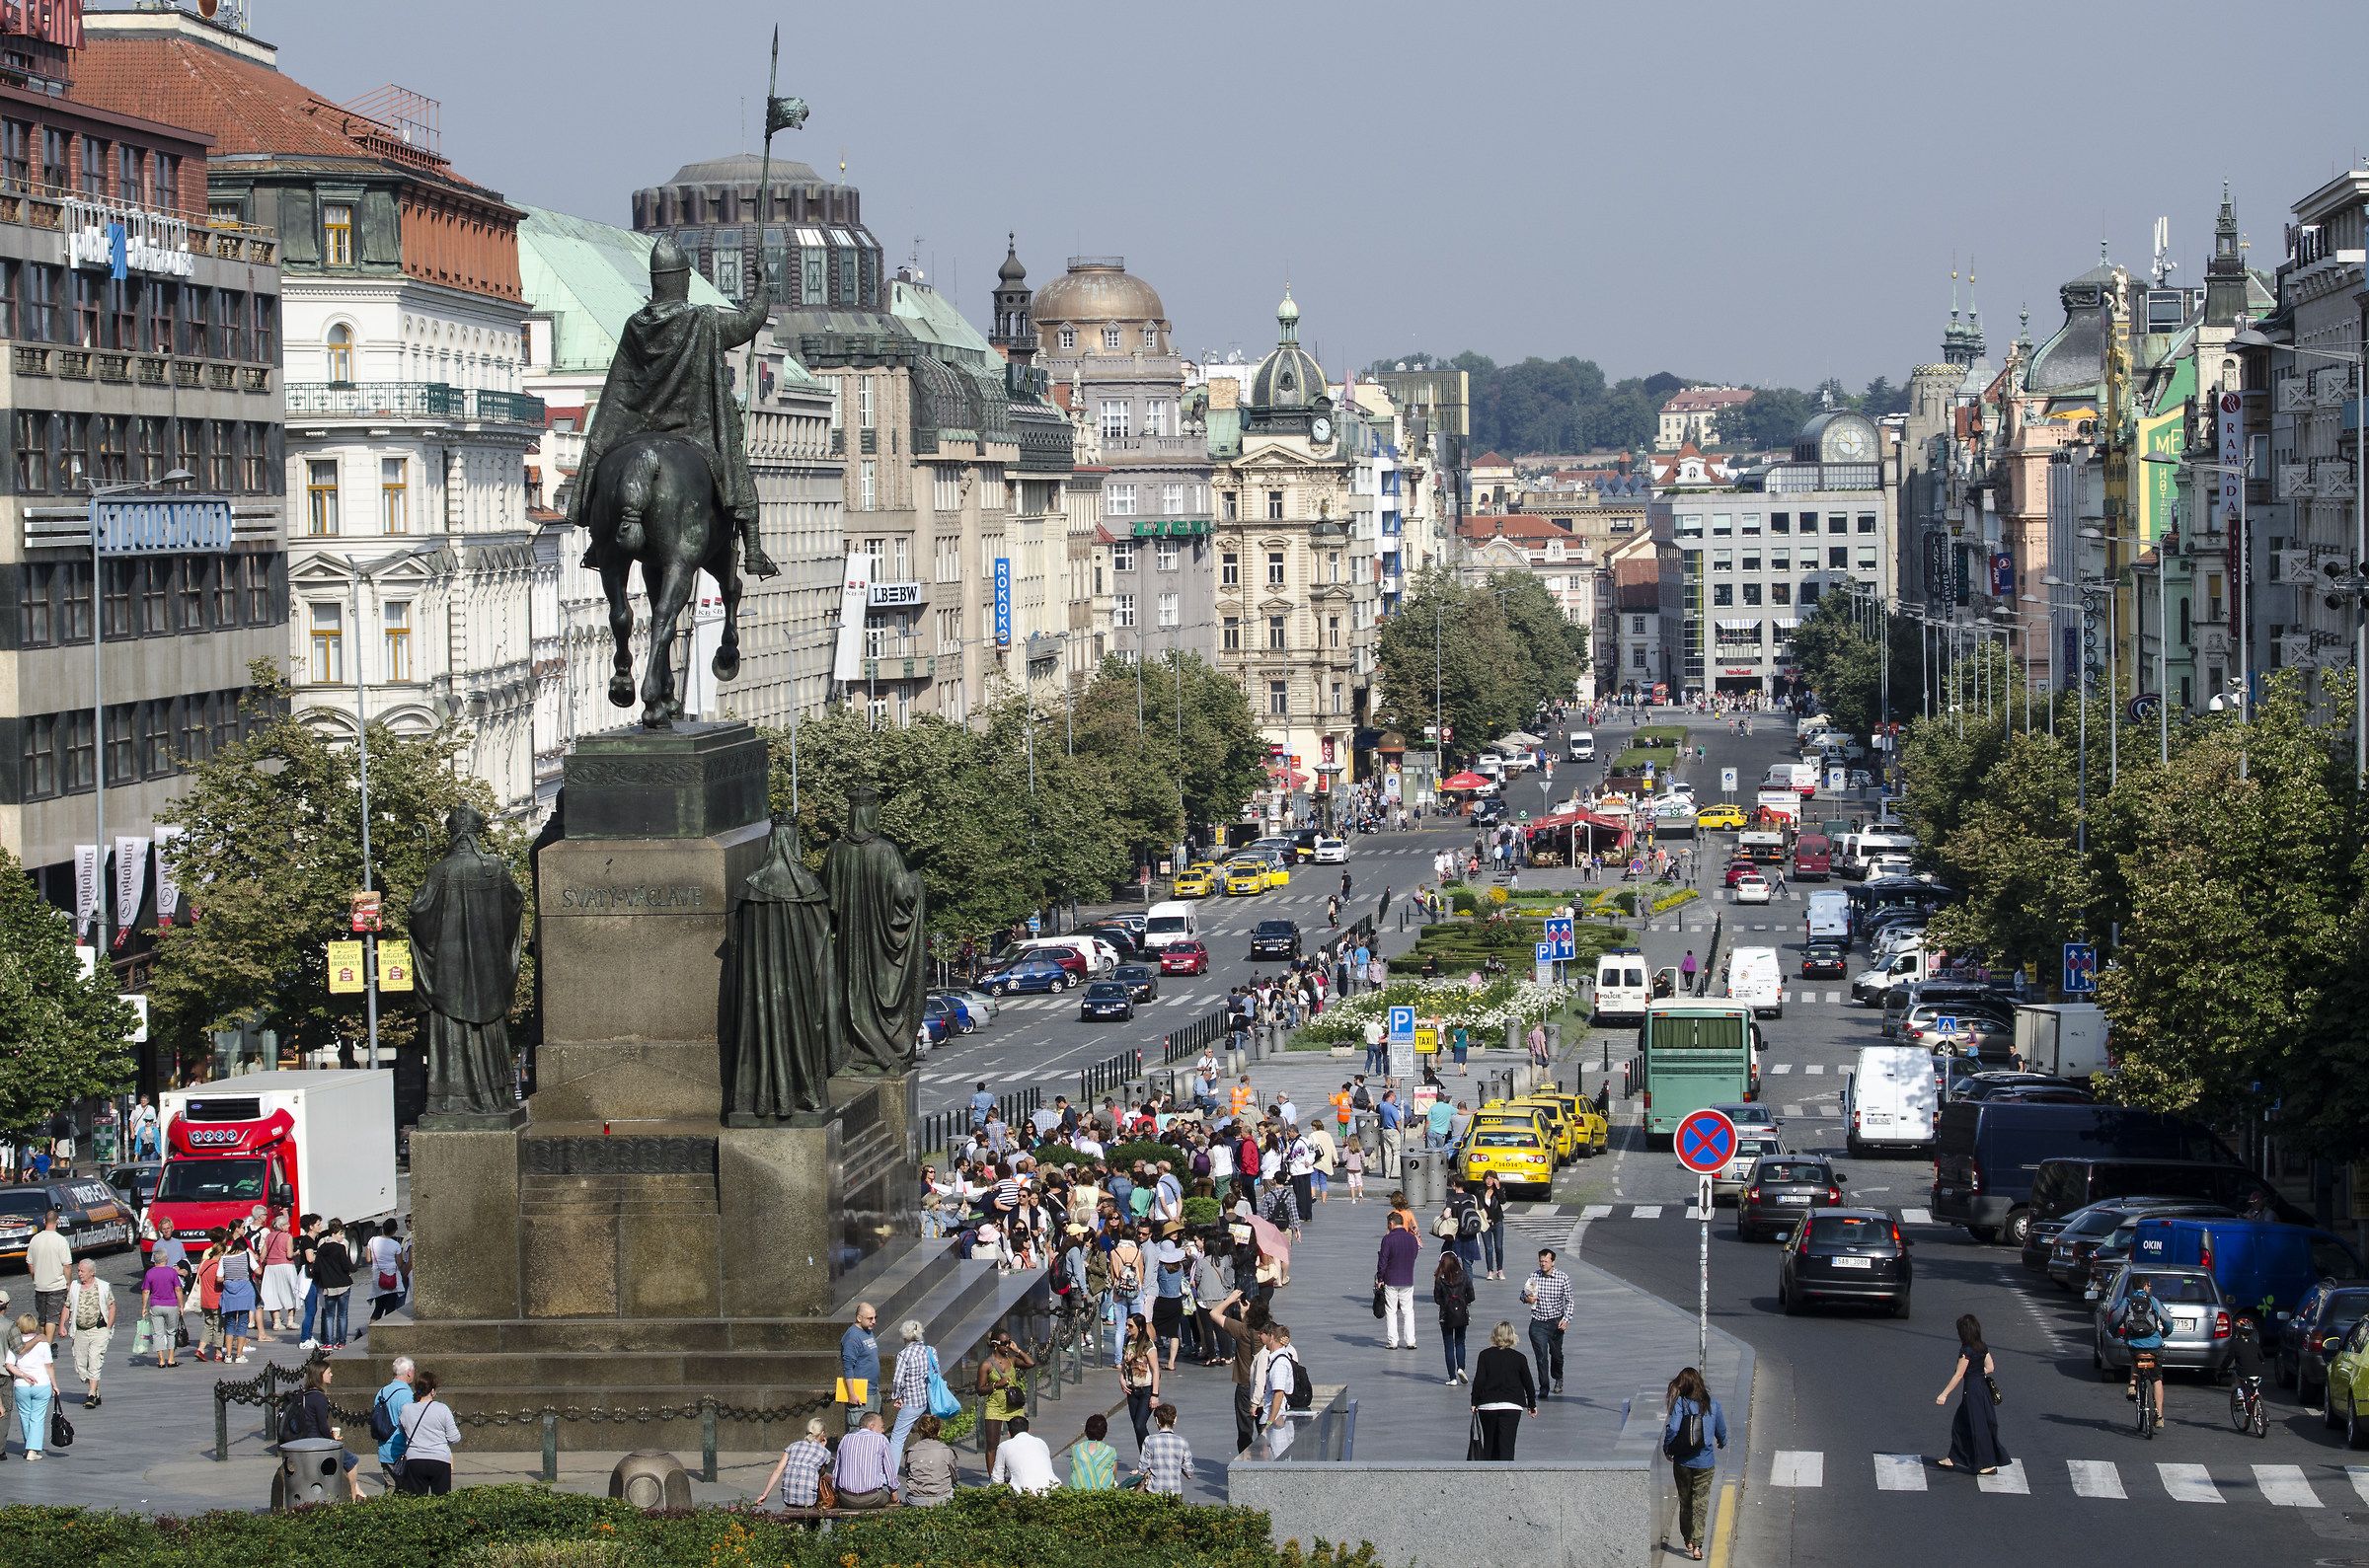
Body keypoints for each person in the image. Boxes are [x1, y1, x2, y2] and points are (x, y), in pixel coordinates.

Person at [1662, 1367, 1727, 1558]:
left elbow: (1674, 1429)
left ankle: (1688, 1539)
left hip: (1683, 1462)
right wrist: (1722, 1441)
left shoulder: (1681, 1403)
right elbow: (1721, 1429)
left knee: (1686, 1502)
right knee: (1701, 1502)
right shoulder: (1713, 1404)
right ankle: (1698, 1546)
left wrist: (1668, 1447)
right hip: (1705, 1462)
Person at [1934, 1313, 2005, 1474]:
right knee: (1962, 1423)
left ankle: (1988, 1464)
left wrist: (1944, 1394)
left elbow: (1958, 1375)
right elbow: (1990, 1367)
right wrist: (1977, 1372)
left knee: (1976, 1426)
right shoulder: (1982, 1346)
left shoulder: (1966, 1350)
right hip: (1982, 1389)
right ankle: (1952, 1459)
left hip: (1972, 1391)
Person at [283, 1364, 365, 1500]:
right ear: (320, 1376)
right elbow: (322, 1426)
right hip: (318, 1442)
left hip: (304, 1440)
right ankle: (352, 1497)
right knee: (352, 1462)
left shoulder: (305, 1395)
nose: (331, 1375)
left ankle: (359, 1493)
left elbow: (311, 1421)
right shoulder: (319, 1397)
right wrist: (333, 1442)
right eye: (328, 1372)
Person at [1468, 1320, 1537, 1460]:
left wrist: (1474, 1401)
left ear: (1494, 1335)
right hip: (1511, 1406)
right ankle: (1506, 1472)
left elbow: (1479, 1380)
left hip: (1487, 1406)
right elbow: (1528, 1383)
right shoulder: (1519, 1358)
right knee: (1507, 1446)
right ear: (1512, 1336)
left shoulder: (1484, 1355)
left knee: (1489, 1445)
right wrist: (1532, 1404)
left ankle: (1489, 1472)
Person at [57, 1257, 115, 1407]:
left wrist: (108, 1326)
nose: (79, 1274)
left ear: (92, 1272)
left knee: (95, 1359)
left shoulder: (103, 1286)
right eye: (78, 1271)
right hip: (80, 1331)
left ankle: (91, 1395)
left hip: (98, 1330)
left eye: (82, 1271)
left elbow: (112, 1306)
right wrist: (62, 1325)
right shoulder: (74, 1287)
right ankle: (95, 1391)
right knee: (81, 1366)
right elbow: (67, 1306)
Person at [2112, 1276, 2168, 1428]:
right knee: (2157, 1379)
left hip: (2134, 1345)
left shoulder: (2127, 1301)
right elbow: (2168, 1321)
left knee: (2135, 1359)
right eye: (2150, 1286)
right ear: (2145, 1287)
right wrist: (2164, 1334)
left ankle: (2132, 1385)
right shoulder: (2153, 1302)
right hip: (2154, 1345)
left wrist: (2114, 1332)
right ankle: (2159, 1416)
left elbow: (2115, 1320)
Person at [395, 1370, 460, 1495]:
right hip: (440, 1459)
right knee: (442, 1500)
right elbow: (455, 1437)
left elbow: (402, 1430)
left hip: (415, 1460)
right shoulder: (442, 1409)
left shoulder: (406, 1409)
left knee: (417, 1501)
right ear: (432, 1391)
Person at [976, 1327, 1033, 1469]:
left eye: (1009, 1342)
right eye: (1004, 1343)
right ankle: (993, 1478)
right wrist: (996, 1385)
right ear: (995, 1344)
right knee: (992, 1445)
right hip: (995, 1407)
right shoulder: (986, 1364)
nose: (1007, 1346)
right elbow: (980, 1390)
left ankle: (1018, 1472)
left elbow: (1030, 1363)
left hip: (1014, 1406)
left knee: (1020, 1442)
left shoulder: (1012, 1360)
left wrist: (1017, 1350)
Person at [6, 1311, 56, 1460]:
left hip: (22, 1385)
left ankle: (29, 1447)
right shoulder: (43, 1343)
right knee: (37, 1417)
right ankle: (32, 1450)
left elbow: (9, 1365)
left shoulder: (15, 1344)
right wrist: (54, 1384)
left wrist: (22, 1375)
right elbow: (49, 1365)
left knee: (25, 1415)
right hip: (41, 1383)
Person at [1520, 1248, 1571, 1395]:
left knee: (1556, 1355)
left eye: (1546, 1261)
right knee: (1541, 1356)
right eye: (1541, 1261)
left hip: (1556, 1323)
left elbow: (1570, 1301)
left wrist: (1566, 1319)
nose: (1543, 1264)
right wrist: (1527, 1299)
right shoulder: (1533, 1277)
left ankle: (1558, 1377)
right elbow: (1523, 1294)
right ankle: (1544, 1386)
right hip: (1538, 1322)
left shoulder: (1562, 1278)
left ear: (1552, 1262)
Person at [762, 1416, 833, 1510]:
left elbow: (778, 1470)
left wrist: (764, 1494)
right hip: (808, 1500)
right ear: (822, 1433)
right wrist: (822, 1447)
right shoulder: (825, 1452)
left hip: (788, 1498)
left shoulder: (792, 1446)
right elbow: (821, 1473)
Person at [888, 1317, 933, 1459]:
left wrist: (897, 1396)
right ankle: (928, 1466)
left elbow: (898, 1380)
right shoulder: (930, 1351)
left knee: (897, 1438)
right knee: (928, 1436)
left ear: (904, 1337)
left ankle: (891, 1471)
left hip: (912, 1401)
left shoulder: (904, 1354)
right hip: (929, 1400)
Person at [1376, 1208, 1420, 1351]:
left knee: (1391, 1310)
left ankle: (1393, 1341)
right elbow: (1414, 1255)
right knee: (1408, 1310)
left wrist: (1380, 1277)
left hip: (1391, 1278)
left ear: (1391, 1223)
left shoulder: (1388, 1239)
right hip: (1407, 1278)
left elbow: (1383, 1260)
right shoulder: (1411, 1238)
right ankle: (1410, 1340)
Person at [833, 1409, 897, 1509]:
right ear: (872, 1426)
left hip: (846, 1498)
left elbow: (837, 1470)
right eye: (881, 1427)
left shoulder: (846, 1439)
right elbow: (890, 1471)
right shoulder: (881, 1439)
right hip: (872, 1497)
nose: (883, 1430)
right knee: (886, 1496)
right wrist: (894, 1494)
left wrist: (836, 1491)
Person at [26, 1210, 69, 1345]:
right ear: (57, 1221)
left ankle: (43, 1343)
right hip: (56, 1285)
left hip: (40, 1285)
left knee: (43, 1318)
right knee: (52, 1318)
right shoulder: (60, 1240)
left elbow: (30, 1263)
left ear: (44, 1221)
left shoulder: (35, 1239)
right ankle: (47, 1347)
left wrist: (35, 1277)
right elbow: (67, 1265)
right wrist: (68, 1283)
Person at [989, 1413, 1061, 1494]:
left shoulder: (1003, 1446)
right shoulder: (1041, 1442)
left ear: (1009, 1434)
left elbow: (997, 1479)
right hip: (1052, 1490)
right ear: (1029, 1431)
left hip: (1026, 1494)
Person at [1434, 1249, 1476, 1385]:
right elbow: (1471, 1295)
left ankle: (1452, 1377)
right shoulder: (1463, 1276)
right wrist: (1462, 1302)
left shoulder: (1440, 1278)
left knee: (1448, 1345)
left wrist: (1446, 1304)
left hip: (1446, 1315)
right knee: (1460, 1342)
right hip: (1461, 1314)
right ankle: (1461, 1368)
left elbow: (1437, 1298)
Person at [899, 1412, 959, 1506]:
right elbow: (954, 1476)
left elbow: (908, 1472)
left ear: (920, 1432)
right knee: (955, 1488)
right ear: (938, 1431)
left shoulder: (911, 1451)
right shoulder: (946, 1450)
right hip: (942, 1498)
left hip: (917, 1499)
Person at [374, 1356, 416, 1489]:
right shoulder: (408, 1396)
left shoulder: (381, 1392)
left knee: (390, 1489)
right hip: (402, 1451)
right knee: (407, 1491)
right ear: (409, 1373)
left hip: (384, 1449)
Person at [1119, 1313, 1161, 1449]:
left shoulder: (1148, 1345)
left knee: (1139, 1425)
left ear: (1140, 1328)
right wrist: (1122, 1377)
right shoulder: (1128, 1341)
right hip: (1132, 1390)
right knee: (1136, 1427)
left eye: (1131, 1326)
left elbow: (1156, 1370)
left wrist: (1155, 1394)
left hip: (1146, 1389)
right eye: (1127, 1325)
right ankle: (1143, 1458)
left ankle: (1151, 1452)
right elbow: (1125, 1362)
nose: (1127, 1328)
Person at [1137, 1401, 1195, 1495]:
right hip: (1175, 1492)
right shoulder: (1183, 1442)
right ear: (1175, 1420)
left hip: (1155, 1491)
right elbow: (1189, 1473)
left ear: (1157, 1420)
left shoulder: (1149, 1440)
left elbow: (1142, 1469)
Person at [313, 1220, 354, 1350]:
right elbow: (346, 1266)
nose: (342, 1237)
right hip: (343, 1284)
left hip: (328, 1286)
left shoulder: (321, 1249)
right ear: (333, 1234)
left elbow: (317, 1268)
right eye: (340, 1234)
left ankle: (328, 1342)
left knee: (329, 1315)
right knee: (342, 1314)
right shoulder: (340, 1248)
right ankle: (341, 1342)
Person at [840, 1300, 880, 1433]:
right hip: (860, 1393)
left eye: (875, 1317)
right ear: (859, 1318)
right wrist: (851, 1393)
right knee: (859, 1430)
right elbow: (848, 1368)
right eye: (870, 1318)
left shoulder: (868, 1331)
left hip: (873, 1390)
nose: (873, 1321)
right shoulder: (851, 1337)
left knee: (874, 1431)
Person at [140, 1247, 184, 1370]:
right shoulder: (172, 1272)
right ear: (166, 1259)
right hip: (171, 1305)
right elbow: (178, 1289)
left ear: (154, 1260)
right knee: (171, 1332)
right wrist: (181, 1305)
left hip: (156, 1305)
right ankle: (171, 1358)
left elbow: (146, 1291)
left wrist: (144, 1307)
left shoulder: (150, 1273)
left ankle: (160, 1360)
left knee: (158, 1333)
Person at [1069, 1411, 1120, 1490]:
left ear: (1086, 1432)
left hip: (1078, 1495)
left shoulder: (1076, 1450)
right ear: (1105, 1433)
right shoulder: (1110, 1451)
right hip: (1103, 1495)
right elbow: (1113, 1476)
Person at [1479, 1172, 1508, 1281]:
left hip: (1497, 1221)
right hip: (1485, 1223)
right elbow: (1478, 1204)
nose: (1489, 1181)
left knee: (1499, 1247)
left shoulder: (1499, 1190)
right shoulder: (1480, 1190)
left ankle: (1500, 1270)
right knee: (1489, 1248)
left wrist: (1498, 1188)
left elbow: (1503, 1201)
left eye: (1491, 1178)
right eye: (1487, 1178)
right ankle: (1490, 1271)